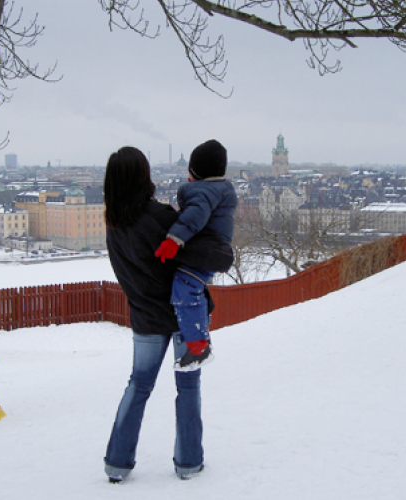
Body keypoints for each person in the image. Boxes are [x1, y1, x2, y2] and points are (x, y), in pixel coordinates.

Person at [103, 146, 233, 483]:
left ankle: (117, 463)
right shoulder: (159, 218)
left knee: (138, 386)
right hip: (182, 317)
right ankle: (188, 462)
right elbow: (212, 256)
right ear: (144, 177)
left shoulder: (113, 226)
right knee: (188, 388)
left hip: (145, 318)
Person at [154, 139, 237, 371]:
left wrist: (173, 240)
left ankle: (198, 347)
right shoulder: (219, 189)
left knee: (186, 287)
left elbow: (194, 218)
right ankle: (198, 341)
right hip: (212, 248)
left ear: (196, 172)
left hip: (207, 249)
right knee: (192, 286)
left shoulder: (203, 193)